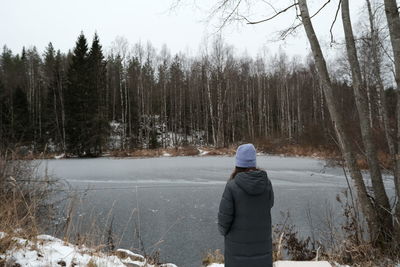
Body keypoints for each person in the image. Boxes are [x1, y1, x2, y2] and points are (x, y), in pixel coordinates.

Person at [218, 143, 274, 267]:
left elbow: (223, 222)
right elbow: (270, 205)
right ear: (254, 162)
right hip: (262, 250)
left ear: (238, 163)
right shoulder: (266, 183)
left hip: (237, 253)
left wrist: (225, 232)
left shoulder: (232, 186)